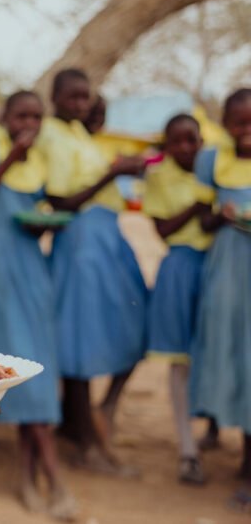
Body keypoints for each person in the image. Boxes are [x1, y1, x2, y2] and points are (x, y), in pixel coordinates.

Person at [0, 91, 76, 519]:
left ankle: (29, 478)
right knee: (22, 372)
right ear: (4, 116)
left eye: (37, 117)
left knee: (38, 372)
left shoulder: (40, 161)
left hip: (32, 274)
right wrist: (9, 160)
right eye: (21, 115)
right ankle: (55, 483)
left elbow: (39, 213)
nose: (29, 124)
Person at [36, 67, 147, 475]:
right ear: (56, 97)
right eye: (73, 97)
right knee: (81, 341)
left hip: (107, 238)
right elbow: (61, 201)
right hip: (81, 242)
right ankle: (88, 445)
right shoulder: (51, 134)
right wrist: (113, 173)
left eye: (86, 97)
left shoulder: (79, 133)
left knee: (136, 321)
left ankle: (95, 416)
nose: (80, 104)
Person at [143, 113, 213, 485]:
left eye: (193, 140)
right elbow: (163, 229)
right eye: (178, 142)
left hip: (218, 267)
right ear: (167, 146)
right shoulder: (158, 178)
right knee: (179, 358)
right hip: (180, 267)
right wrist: (200, 206)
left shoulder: (216, 166)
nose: (187, 148)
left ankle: (214, 426)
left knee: (215, 352)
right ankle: (188, 449)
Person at [190, 87, 251, 511]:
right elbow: (203, 220)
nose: (246, 131)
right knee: (233, 354)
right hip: (229, 270)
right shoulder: (211, 161)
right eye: (239, 123)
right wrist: (223, 215)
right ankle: (239, 448)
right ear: (225, 123)